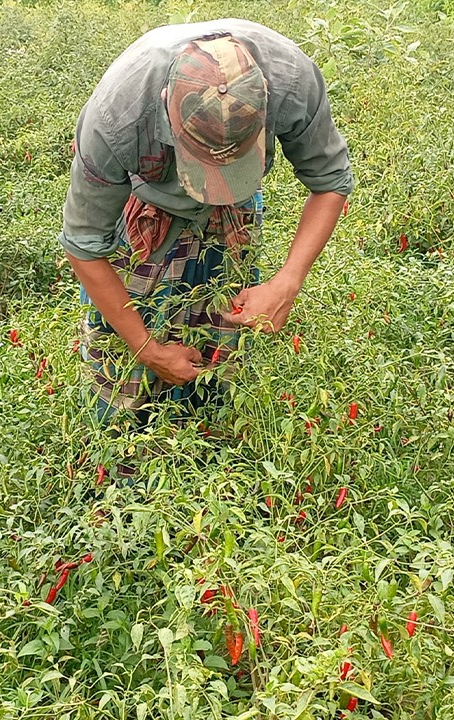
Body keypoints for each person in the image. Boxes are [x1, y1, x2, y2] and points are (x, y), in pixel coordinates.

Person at [60, 19, 354, 428]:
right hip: (148, 215)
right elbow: (84, 244)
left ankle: (207, 445)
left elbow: (332, 183)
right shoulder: (117, 116)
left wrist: (287, 281)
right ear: (166, 105)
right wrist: (148, 349)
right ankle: (122, 469)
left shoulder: (291, 80)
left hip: (233, 218)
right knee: (121, 364)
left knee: (218, 351)